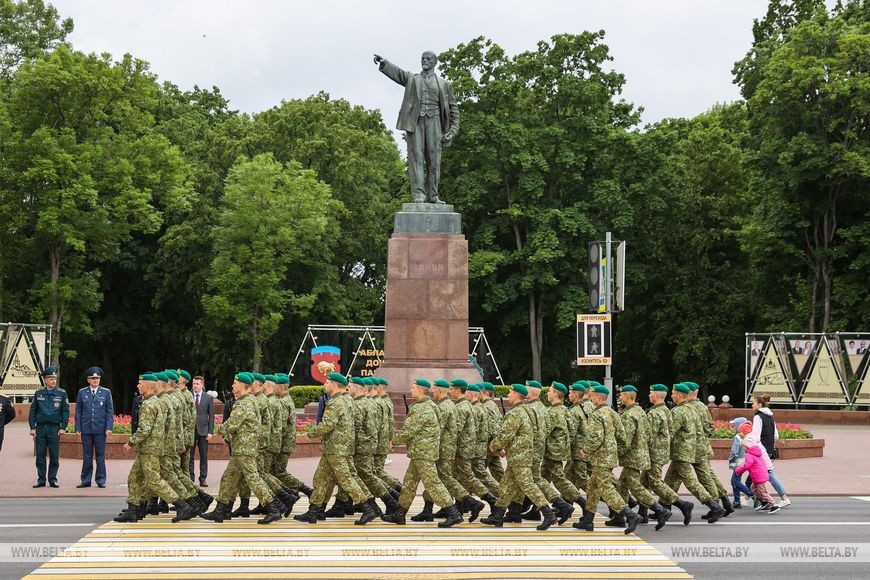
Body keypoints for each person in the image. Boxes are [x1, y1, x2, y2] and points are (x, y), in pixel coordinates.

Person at [373, 50, 460, 203]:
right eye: (422, 58)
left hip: (435, 123)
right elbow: (398, 73)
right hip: (416, 122)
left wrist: (453, 130)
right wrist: (384, 63)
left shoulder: (445, 84)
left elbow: (453, 108)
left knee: (434, 161)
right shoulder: (412, 79)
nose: (424, 60)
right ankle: (419, 195)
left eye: (428, 58)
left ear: (434, 62)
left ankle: (433, 196)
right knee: (416, 159)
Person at [294, 372, 378, 525]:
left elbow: (327, 424)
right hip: (341, 446)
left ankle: (367, 508)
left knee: (346, 480)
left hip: (336, 448)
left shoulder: (336, 402)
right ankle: (315, 511)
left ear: (334, 384)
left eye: (327, 382)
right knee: (321, 479)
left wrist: (310, 434)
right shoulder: (348, 399)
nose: (324, 385)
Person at [383, 379, 462, 527]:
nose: (411, 390)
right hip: (421, 452)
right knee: (409, 483)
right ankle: (399, 514)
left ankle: (453, 513)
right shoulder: (431, 405)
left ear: (419, 390)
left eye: (413, 388)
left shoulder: (421, 408)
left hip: (423, 453)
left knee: (433, 483)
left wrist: (393, 441)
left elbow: (409, 430)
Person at [481, 384, 558, 530]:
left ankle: (548, 514)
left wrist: (493, 447)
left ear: (516, 395)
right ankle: (498, 516)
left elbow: (505, 435)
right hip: (522, 454)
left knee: (528, 485)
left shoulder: (515, 413)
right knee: (506, 485)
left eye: (510, 393)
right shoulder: (527, 410)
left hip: (519, 456)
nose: (508, 395)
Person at [28, 366, 69, 486]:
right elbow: (33, 411)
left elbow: (65, 411)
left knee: (54, 456)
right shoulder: (39, 393)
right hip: (41, 428)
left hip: (54, 429)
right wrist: (32, 428)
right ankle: (41, 479)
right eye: (51, 379)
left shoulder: (61, 393)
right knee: (40, 455)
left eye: (55, 379)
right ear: (46, 380)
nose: (53, 381)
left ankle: (52, 479)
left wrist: (63, 427)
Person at [74, 366, 114, 488]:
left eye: (97, 378)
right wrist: (78, 428)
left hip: (100, 430)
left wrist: (109, 427)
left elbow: (109, 411)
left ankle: (101, 480)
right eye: (93, 378)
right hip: (86, 429)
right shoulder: (82, 392)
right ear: (88, 380)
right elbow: (78, 411)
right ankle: (85, 480)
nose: (95, 380)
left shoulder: (106, 392)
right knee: (87, 456)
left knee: (100, 456)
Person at [750, 394, 791, 507]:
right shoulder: (770, 416)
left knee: (768, 474)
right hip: (769, 448)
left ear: (759, 404)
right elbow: (776, 436)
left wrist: (753, 446)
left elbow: (756, 436)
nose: (752, 405)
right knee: (757, 474)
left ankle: (783, 497)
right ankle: (760, 500)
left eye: (753, 403)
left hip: (761, 450)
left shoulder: (758, 417)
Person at [734, 434, 780, 514]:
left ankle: (773, 504)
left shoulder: (749, 454)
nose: (742, 448)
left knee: (762, 492)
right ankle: (764, 502)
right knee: (753, 489)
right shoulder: (756, 453)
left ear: (747, 446)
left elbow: (747, 465)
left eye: (743, 446)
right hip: (759, 475)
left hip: (758, 477)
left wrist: (738, 470)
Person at [190, 375, 215, 486]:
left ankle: (202, 478)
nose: (195, 386)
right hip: (190, 431)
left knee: (203, 456)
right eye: (194, 383)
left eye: (197, 384)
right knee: (189, 456)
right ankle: (190, 478)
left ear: (202, 385)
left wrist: (210, 432)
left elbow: (212, 416)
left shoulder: (208, 398)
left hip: (203, 431)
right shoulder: (188, 396)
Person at [728, 419, 755, 508]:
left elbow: (734, 451)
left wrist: (730, 459)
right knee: (735, 481)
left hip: (737, 462)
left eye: (733, 426)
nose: (732, 428)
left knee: (735, 481)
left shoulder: (737, 437)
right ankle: (736, 501)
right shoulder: (747, 436)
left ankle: (751, 494)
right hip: (744, 461)